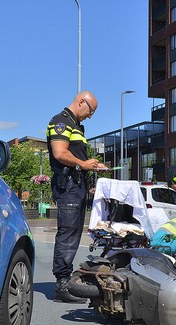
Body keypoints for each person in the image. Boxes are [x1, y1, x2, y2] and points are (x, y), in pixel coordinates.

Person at [48, 91, 107, 303]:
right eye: (91, 111)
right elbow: (59, 153)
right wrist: (83, 164)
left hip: (77, 183)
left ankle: (65, 278)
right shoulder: (61, 122)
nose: (90, 116)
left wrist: (91, 165)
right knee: (68, 232)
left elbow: (74, 156)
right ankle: (62, 284)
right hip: (68, 185)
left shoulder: (77, 127)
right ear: (81, 102)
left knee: (73, 233)